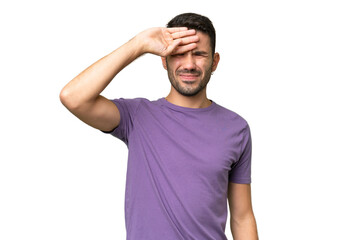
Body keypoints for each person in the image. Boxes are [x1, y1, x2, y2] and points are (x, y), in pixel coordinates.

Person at [60, 12, 258, 240]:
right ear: (164, 60)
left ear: (214, 62)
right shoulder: (136, 117)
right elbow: (73, 97)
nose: (190, 64)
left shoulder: (236, 129)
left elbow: (242, 217)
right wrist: (139, 44)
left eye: (199, 54)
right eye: (179, 54)